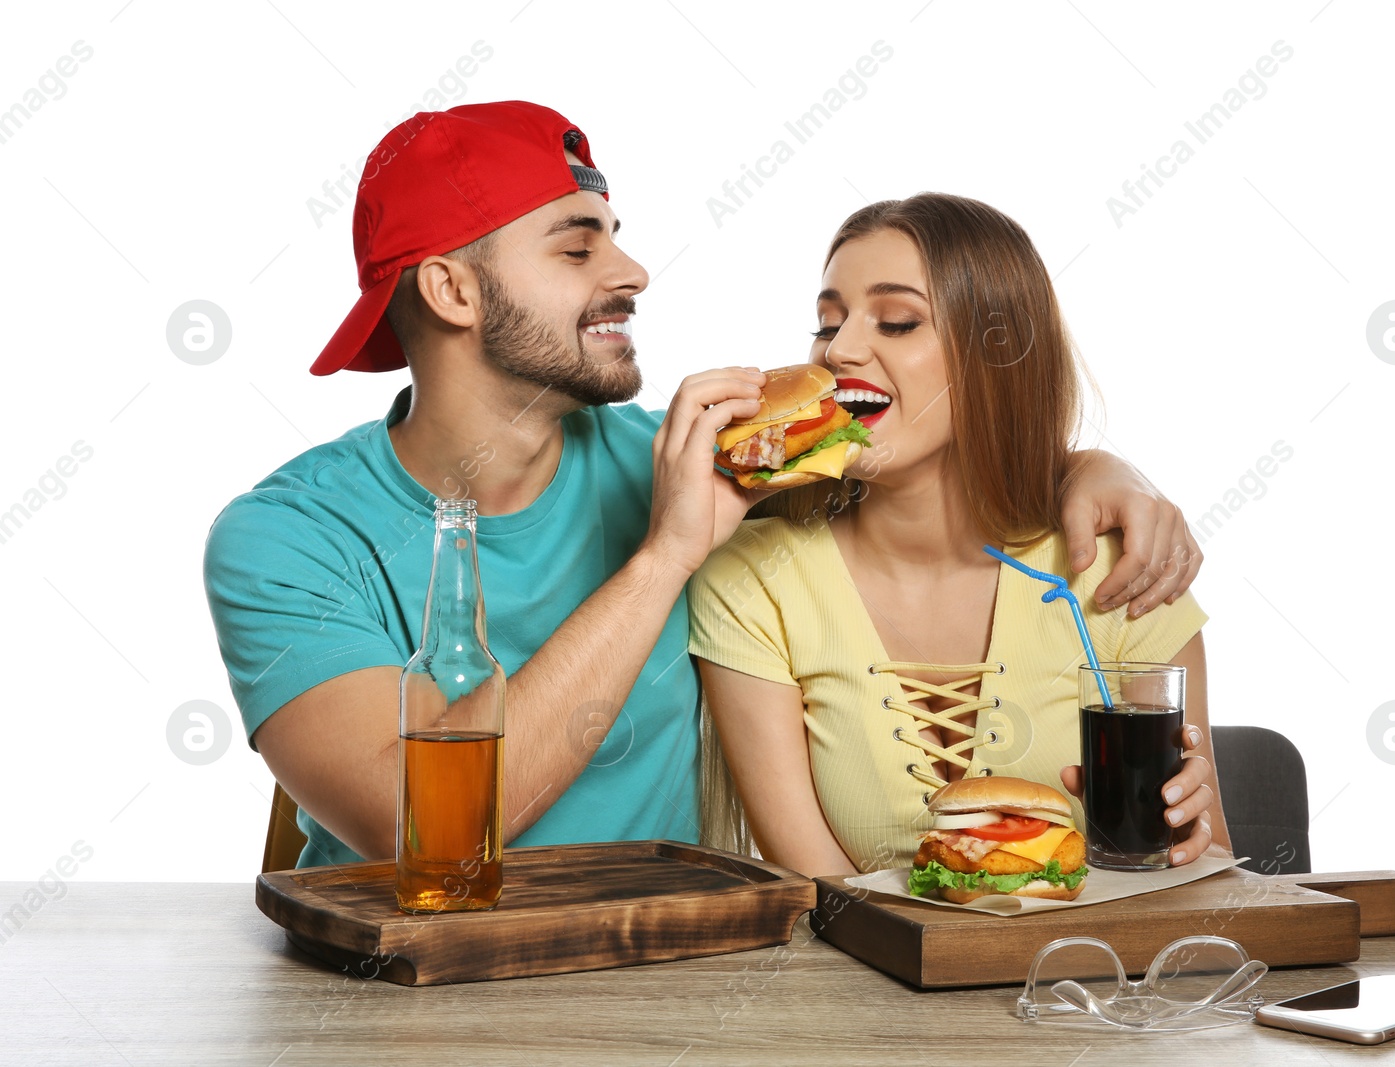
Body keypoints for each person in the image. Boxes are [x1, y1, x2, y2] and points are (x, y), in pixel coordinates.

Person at [203, 101, 1203, 869]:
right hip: (412, 1000)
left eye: (616, 232)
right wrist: (667, 553)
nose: (631, 268)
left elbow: (916, 440)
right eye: (577, 243)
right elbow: (429, 825)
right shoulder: (286, 537)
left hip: (668, 985)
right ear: (452, 289)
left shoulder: (687, 459)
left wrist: (1096, 470)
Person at [689, 193, 1230, 877]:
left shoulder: (1121, 569)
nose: (842, 349)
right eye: (828, 323)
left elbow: (1213, 892)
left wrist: (1181, 844)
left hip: (1088, 979)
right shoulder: (752, 581)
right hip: (863, 978)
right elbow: (825, 898)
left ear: (996, 356)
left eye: (897, 321)